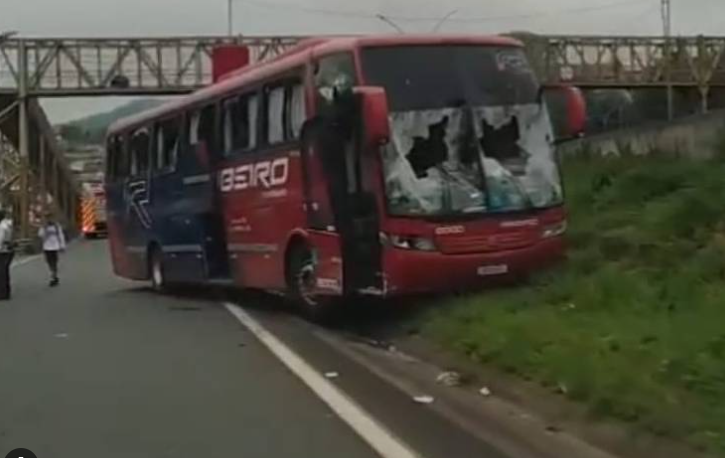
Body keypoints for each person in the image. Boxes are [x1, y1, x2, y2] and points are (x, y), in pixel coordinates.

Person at [38, 216, 66, 287]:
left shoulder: (56, 226)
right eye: (48, 218)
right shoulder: (44, 226)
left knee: (54, 262)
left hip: (55, 247)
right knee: (49, 262)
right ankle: (53, 275)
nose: (49, 220)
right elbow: (40, 235)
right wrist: (44, 229)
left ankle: (53, 276)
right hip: (47, 247)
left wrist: (62, 246)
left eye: (51, 218)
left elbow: (60, 235)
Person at [0, 210, 14, 300]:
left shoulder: (1, 227)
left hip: (2, 251)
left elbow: (0, 240)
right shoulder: (7, 225)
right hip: (8, 250)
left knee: (2, 273)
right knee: (5, 272)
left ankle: (3, 293)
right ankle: (6, 291)